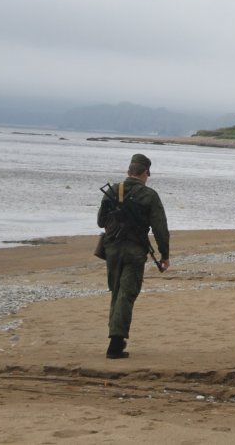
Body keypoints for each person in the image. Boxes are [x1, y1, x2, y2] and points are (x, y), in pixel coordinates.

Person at [97, 153, 170, 359]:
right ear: (145, 172)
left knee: (117, 290)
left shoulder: (112, 190)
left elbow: (101, 221)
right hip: (134, 250)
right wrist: (165, 254)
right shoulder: (149, 195)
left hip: (111, 249)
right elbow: (160, 228)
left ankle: (115, 337)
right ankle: (116, 342)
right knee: (127, 294)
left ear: (129, 171)